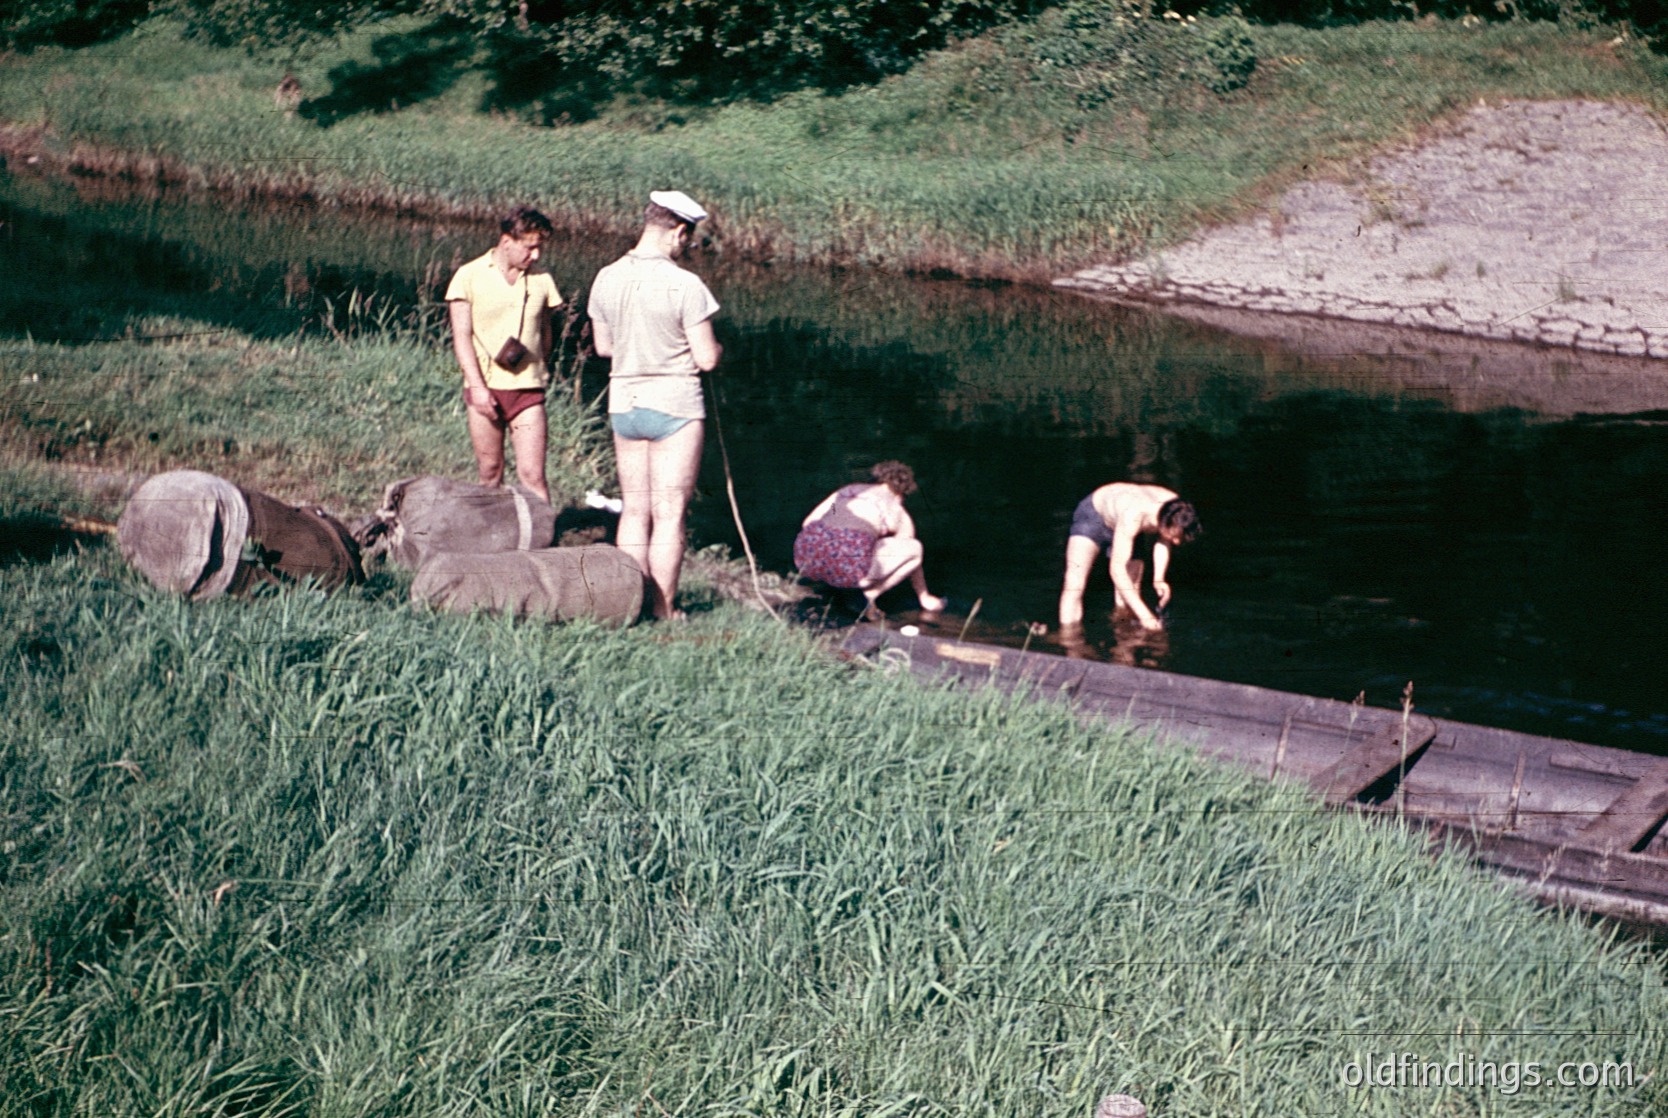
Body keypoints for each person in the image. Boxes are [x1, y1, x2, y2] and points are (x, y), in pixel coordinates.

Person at [587, 190, 722, 620]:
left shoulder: (605, 276)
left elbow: (604, 348)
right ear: (679, 232)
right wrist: (718, 348)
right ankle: (664, 610)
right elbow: (706, 359)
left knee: (634, 510)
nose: (687, 247)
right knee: (668, 516)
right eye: (688, 239)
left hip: (624, 403)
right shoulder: (686, 285)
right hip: (675, 406)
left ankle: (628, 606)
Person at [445, 206, 562, 503]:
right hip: (485, 389)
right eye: (530, 247)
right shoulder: (468, 276)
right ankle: (491, 540)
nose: (536, 255)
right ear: (507, 241)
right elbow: (461, 337)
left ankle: (542, 542)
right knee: (490, 472)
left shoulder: (542, 279)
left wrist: (539, 369)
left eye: (540, 248)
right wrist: (478, 387)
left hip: (527, 391)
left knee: (533, 475)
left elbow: (547, 333)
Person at [794, 461, 946, 620]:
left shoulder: (847, 491)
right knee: (915, 548)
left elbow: (809, 522)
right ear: (903, 492)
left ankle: (830, 586)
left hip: (807, 560)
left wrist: (837, 519)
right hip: (847, 570)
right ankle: (869, 595)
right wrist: (924, 596)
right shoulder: (894, 506)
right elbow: (910, 552)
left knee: (854, 544)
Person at [1058, 483, 1201, 631]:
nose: (1177, 542)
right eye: (1175, 536)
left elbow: (1164, 540)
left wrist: (1159, 579)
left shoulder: (1176, 508)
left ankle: (1124, 643)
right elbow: (1116, 570)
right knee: (1074, 585)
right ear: (1165, 522)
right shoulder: (1134, 515)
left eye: (1180, 538)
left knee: (1130, 591)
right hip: (1095, 517)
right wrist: (1145, 615)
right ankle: (1069, 639)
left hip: (1128, 529)